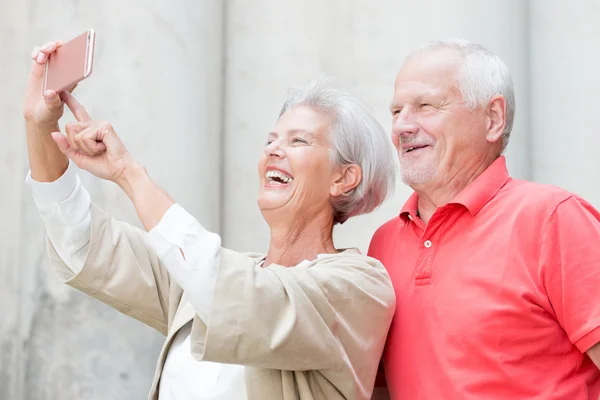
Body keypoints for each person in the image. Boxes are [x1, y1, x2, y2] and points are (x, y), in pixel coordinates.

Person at [23, 40, 397, 400]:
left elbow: (243, 298)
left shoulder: (359, 285)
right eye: (271, 140)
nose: (273, 150)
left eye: (298, 141)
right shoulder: (204, 280)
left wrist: (128, 172)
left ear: (343, 178)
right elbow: (83, 243)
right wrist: (40, 126)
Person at [369, 38, 600, 399]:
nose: (401, 127)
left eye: (425, 106)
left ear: (492, 118)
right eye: (396, 111)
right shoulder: (383, 243)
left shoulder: (554, 220)